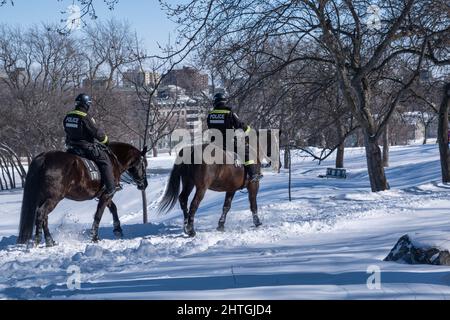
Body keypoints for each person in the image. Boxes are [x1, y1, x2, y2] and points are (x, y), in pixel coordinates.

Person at [63, 93, 117, 197]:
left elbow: (67, 130)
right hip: (85, 148)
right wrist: (106, 141)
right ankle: (110, 187)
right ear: (86, 104)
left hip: (71, 147)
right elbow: (96, 132)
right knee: (105, 160)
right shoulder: (85, 117)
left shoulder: (68, 116)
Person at [206, 93, 261, 182]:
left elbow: (210, 127)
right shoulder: (229, 113)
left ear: (215, 102)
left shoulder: (210, 115)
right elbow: (239, 125)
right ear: (224, 102)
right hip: (228, 142)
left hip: (214, 143)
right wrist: (248, 130)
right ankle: (253, 174)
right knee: (246, 151)